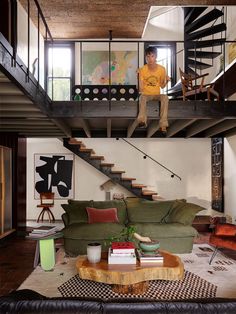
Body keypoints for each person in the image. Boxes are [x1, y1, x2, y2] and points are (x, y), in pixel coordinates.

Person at [137, 46, 170, 134]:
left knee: (165, 97)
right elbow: (141, 89)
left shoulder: (162, 69)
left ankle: (163, 125)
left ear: (156, 57)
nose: (150, 59)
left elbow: (162, 86)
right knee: (141, 97)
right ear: (145, 58)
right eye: (148, 56)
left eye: (152, 56)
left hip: (156, 94)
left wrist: (166, 81)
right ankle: (142, 121)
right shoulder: (142, 70)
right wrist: (139, 77)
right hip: (146, 94)